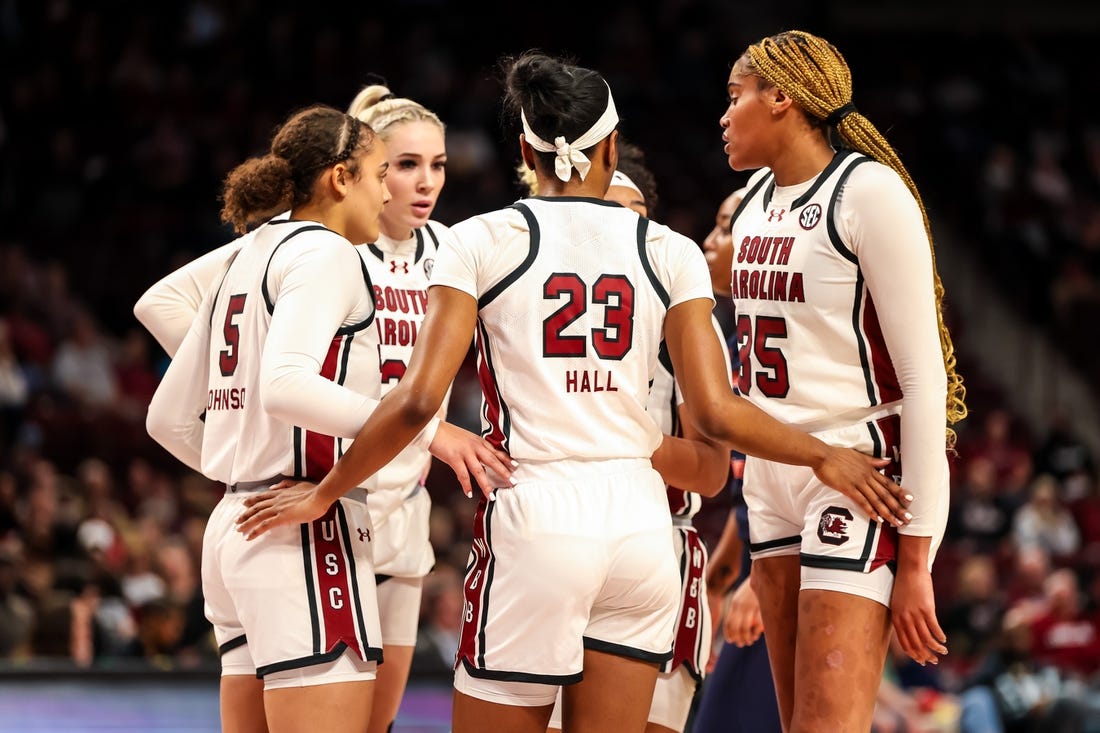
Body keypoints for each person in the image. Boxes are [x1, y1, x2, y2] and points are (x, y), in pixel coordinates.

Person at [235, 53, 910, 733]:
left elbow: (414, 402)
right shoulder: (670, 250)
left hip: (539, 518)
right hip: (642, 529)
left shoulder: (479, 240)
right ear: (611, 147)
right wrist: (823, 455)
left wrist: (327, 490)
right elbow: (715, 412)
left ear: (525, 150)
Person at [144, 104, 510, 733]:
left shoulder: (247, 253)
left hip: (238, 522)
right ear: (342, 179)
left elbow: (167, 419)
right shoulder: (328, 254)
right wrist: (422, 428)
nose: (390, 189)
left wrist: (245, 465)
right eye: (380, 173)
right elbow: (286, 385)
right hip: (306, 528)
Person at [718, 30, 967, 732]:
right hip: (769, 478)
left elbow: (923, 378)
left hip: (855, 472)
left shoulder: (869, 192)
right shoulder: (751, 201)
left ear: (781, 98)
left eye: (735, 97)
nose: (724, 115)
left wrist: (917, 556)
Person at [542, 143, 730, 733]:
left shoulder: (684, 322)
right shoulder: (543, 309)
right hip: (553, 538)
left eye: (635, 215)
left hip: (655, 544)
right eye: (606, 211)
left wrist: (624, 438)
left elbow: (708, 471)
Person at [694, 187, 782, 733]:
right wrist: (717, 581)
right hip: (759, 561)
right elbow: (748, 495)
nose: (709, 241)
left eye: (724, 227)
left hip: (794, 565)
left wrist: (759, 580)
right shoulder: (734, 334)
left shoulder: (777, 334)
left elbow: (805, 468)